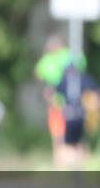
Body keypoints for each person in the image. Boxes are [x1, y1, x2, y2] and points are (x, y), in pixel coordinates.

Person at [35, 34, 86, 164]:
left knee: (63, 131)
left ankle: (65, 159)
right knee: (60, 131)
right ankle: (65, 159)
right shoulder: (65, 56)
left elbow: (39, 75)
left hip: (64, 100)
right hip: (61, 100)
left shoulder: (56, 58)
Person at [55, 63, 100, 169]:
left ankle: (79, 165)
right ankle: (72, 165)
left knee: (80, 140)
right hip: (69, 114)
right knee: (69, 141)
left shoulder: (84, 79)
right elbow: (52, 93)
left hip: (81, 113)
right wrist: (60, 106)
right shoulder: (64, 81)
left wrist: (96, 107)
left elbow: (98, 92)